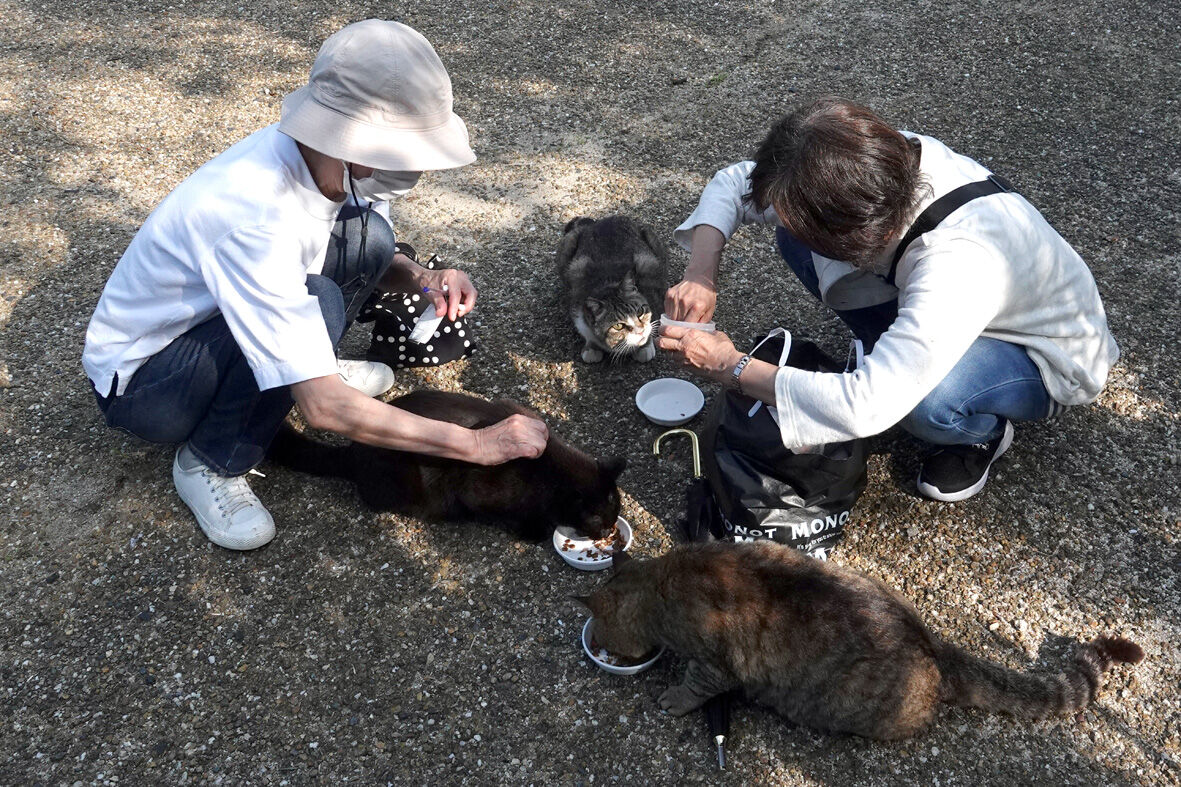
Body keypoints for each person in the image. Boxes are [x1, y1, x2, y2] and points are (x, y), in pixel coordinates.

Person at [82, 20, 548, 551]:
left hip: (216, 322)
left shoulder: (322, 158)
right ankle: (210, 460)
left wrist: (423, 278)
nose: (407, 173)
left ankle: (302, 360)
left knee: (373, 238)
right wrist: (477, 444)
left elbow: (364, 248)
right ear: (352, 144)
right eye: (398, 156)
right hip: (147, 387)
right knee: (321, 302)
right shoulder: (255, 214)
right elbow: (323, 409)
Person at [659, 96, 1117, 502]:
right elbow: (735, 183)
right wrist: (700, 276)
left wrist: (731, 367)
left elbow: (869, 405)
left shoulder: (958, 262)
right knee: (793, 229)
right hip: (957, 298)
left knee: (925, 402)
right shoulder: (873, 160)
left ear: (867, 233)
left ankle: (979, 434)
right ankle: (895, 350)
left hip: (1042, 354)